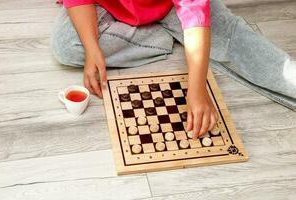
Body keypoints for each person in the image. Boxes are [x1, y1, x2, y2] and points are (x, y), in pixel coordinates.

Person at [51, 0, 296, 139]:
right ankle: (176, 39)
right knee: (68, 46)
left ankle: (188, 38)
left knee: (235, 40)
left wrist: (197, 88)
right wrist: (92, 47)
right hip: (109, 6)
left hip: (173, 7)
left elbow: (195, 12)